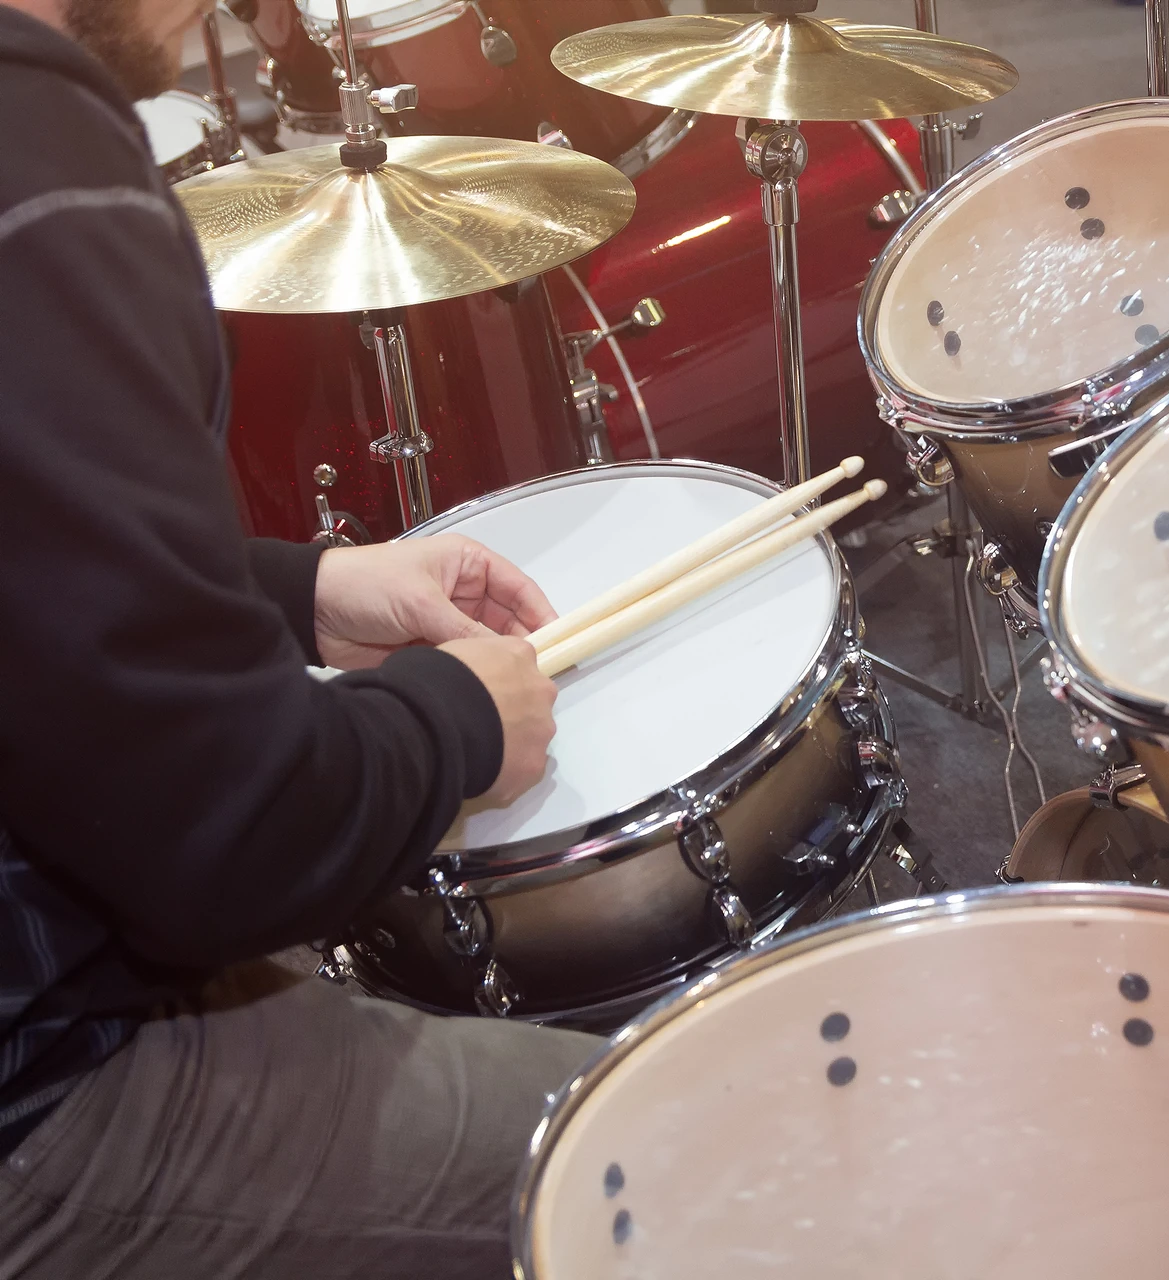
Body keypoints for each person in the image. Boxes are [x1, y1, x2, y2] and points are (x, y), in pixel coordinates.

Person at [0, 0, 603, 1274]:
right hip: (41, 1088)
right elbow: (228, 836)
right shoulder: (38, 165)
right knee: (690, 1133)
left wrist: (303, 587)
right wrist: (456, 721)